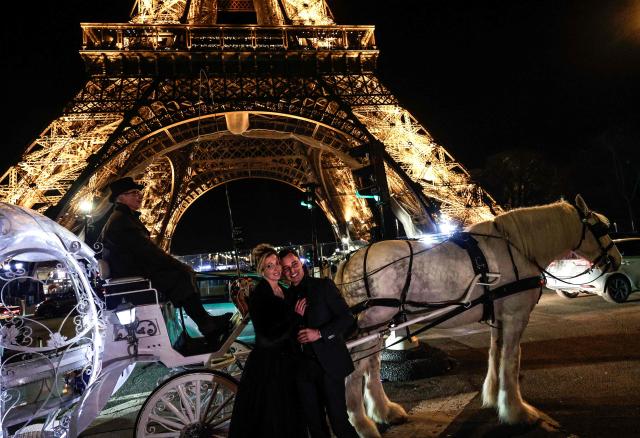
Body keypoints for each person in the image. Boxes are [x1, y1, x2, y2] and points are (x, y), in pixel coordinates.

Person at [99, 177, 230, 345]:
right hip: (134, 274)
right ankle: (207, 325)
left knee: (180, 275)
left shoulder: (123, 218)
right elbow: (149, 252)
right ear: (120, 197)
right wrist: (179, 265)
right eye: (133, 193)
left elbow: (147, 251)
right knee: (181, 275)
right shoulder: (122, 221)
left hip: (133, 270)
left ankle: (206, 322)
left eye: (139, 192)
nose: (139, 196)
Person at [228, 244, 307, 438]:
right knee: (274, 416)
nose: (276, 269)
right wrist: (296, 318)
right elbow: (266, 338)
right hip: (270, 365)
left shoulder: (284, 290)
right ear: (262, 271)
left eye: (277, 264)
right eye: (270, 266)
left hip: (286, 360)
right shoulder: (259, 296)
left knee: (288, 413)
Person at [279, 248, 358, 438]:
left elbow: (347, 318)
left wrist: (320, 333)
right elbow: (288, 336)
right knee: (315, 427)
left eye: (294, 264)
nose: (292, 271)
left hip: (328, 366)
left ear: (301, 263)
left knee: (339, 422)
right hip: (303, 370)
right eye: (286, 268)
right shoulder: (285, 298)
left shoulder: (323, 286)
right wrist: (296, 319)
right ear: (283, 273)